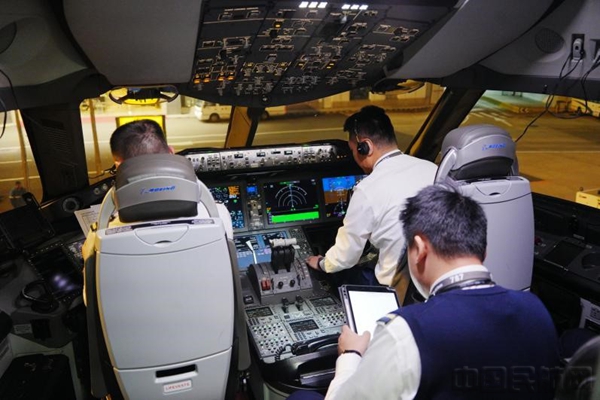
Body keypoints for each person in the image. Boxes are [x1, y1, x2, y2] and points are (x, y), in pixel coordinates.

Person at [291, 185, 561, 400]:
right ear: (484, 251)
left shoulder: (406, 331)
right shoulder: (537, 311)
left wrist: (351, 355)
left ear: (419, 249)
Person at [82, 119, 233, 302]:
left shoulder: (101, 234)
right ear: (171, 152)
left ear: (118, 166)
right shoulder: (217, 215)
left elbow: (91, 302)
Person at [306, 105, 436, 286]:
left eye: (353, 150)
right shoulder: (433, 169)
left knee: (341, 274)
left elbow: (345, 256)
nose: (354, 156)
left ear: (365, 147)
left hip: (396, 288)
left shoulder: (367, 189)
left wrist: (321, 263)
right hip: (435, 278)